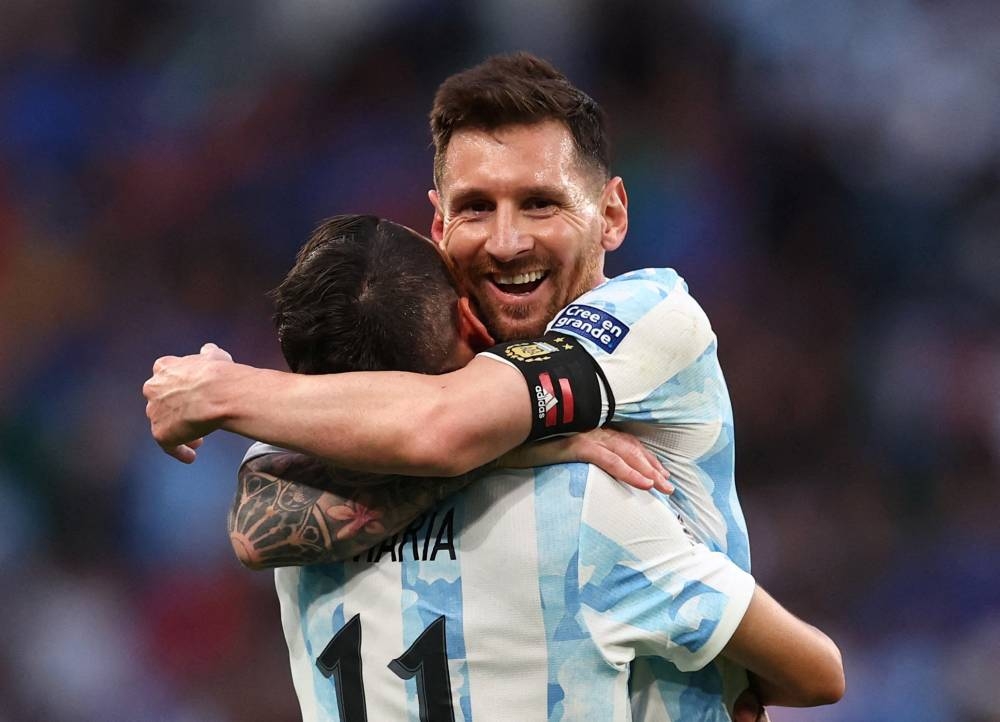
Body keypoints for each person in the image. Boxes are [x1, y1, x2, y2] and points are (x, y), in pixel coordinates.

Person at [141, 53, 814, 717]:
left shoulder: (648, 320)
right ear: (438, 227)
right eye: (476, 208)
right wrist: (535, 449)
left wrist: (221, 392)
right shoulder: (575, 490)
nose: (506, 240)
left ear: (611, 214)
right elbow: (262, 518)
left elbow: (437, 431)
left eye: (540, 203)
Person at [230, 214, 842, 721]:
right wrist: (528, 445)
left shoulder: (298, 499)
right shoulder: (585, 505)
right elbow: (816, 674)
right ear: (468, 320)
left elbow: (252, 535)